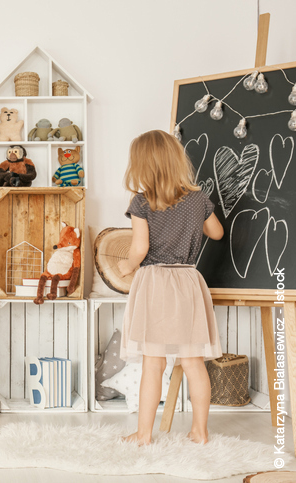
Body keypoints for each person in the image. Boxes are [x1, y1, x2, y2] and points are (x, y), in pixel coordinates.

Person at [117, 130, 224, 445]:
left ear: (141, 165)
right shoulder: (198, 199)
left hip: (156, 282)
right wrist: (195, 221)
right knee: (193, 361)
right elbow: (216, 233)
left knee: (154, 362)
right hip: (189, 280)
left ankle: (144, 434)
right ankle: (200, 432)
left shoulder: (142, 202)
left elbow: (140, 247)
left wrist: (126, 266)